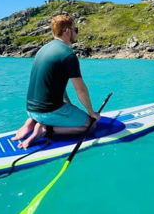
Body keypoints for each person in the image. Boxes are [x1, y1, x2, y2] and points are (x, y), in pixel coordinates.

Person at [13, 15, 100, 149]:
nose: (76, 33)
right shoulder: (68, 55)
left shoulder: (42, 50)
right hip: (47, 112)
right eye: (75, 29)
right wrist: (91, 112)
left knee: (54, 108)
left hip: (30, 110)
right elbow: (80, 89)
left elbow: (55, 83)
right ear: (67, 31)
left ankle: (29, 124)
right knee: (90, 125)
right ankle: (45, 130)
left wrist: (70, 106)